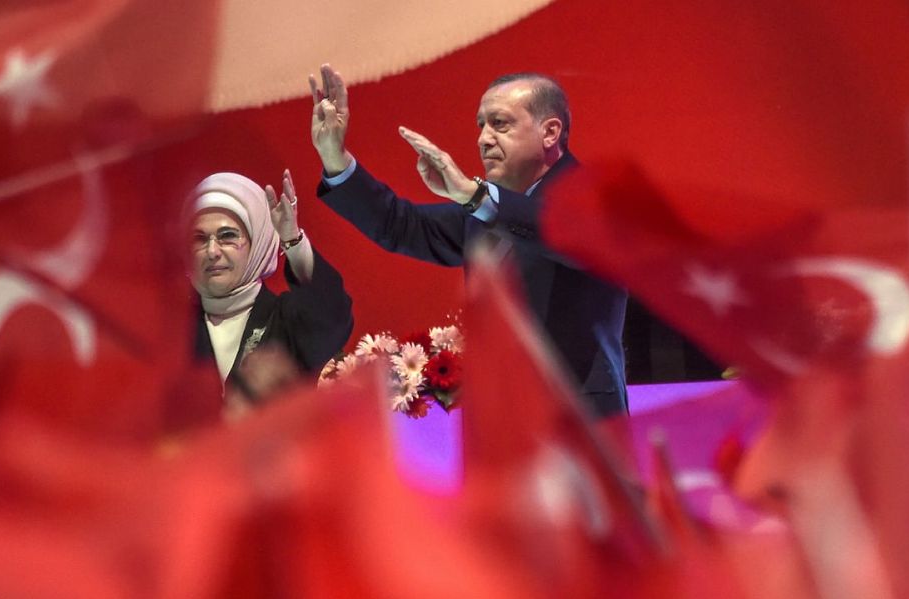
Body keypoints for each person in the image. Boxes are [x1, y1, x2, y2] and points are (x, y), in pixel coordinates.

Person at [308, 64, 628, 418]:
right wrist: (335, 159)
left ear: (550, 132)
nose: (483, 139)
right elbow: (400, 225)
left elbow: (560, 232)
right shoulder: (487, 209)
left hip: (579, 421)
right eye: (481, 125)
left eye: (500, 124)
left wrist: (476, 198)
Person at [186, 169, 353, 415]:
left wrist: (293, 241)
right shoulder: (174, 329)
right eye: (199, 239)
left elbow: (332, 319)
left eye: (227, 236)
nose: (212, 251)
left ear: (257, 242)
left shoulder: (287, 320)